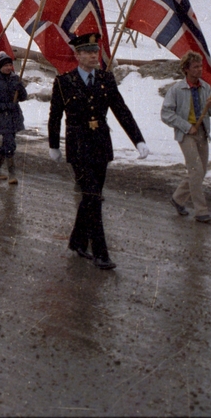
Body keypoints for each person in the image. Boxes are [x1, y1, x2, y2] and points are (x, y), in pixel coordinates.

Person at [48, 32, 150, 271]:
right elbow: (54, 117)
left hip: (101, 146)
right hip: (79, 147)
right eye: (88, 52)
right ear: (77, 55)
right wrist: (54, 145)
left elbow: (121, 110)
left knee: (90, 197)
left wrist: (138, 140)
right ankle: (101, 253)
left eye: (96, 52)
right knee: (93, 198)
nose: (94, 56)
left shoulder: (106, 79)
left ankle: (77, 241)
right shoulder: (64, 82)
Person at [161, 51, 211, 223]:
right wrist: (187, 127)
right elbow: (166, 114)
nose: (199, 70)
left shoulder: (206, 88)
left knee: (200, 172)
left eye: (200, 66)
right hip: (187, 135)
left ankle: (177, 199)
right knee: (195, 170)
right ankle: (201, 211)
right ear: (186, 69)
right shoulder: (176, 89)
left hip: (203, 133)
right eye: (195, 67)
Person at [0, 51, 28, 183]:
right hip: (2, 117)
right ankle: (12, 173)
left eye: (10, 65)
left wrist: (21, 89)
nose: (9, 68)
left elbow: (23, 97)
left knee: (7, 142)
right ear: (0, 67)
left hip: (14, 116)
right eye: (6, 65)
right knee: (10, 143)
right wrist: (6, 106)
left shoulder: (15, 79)